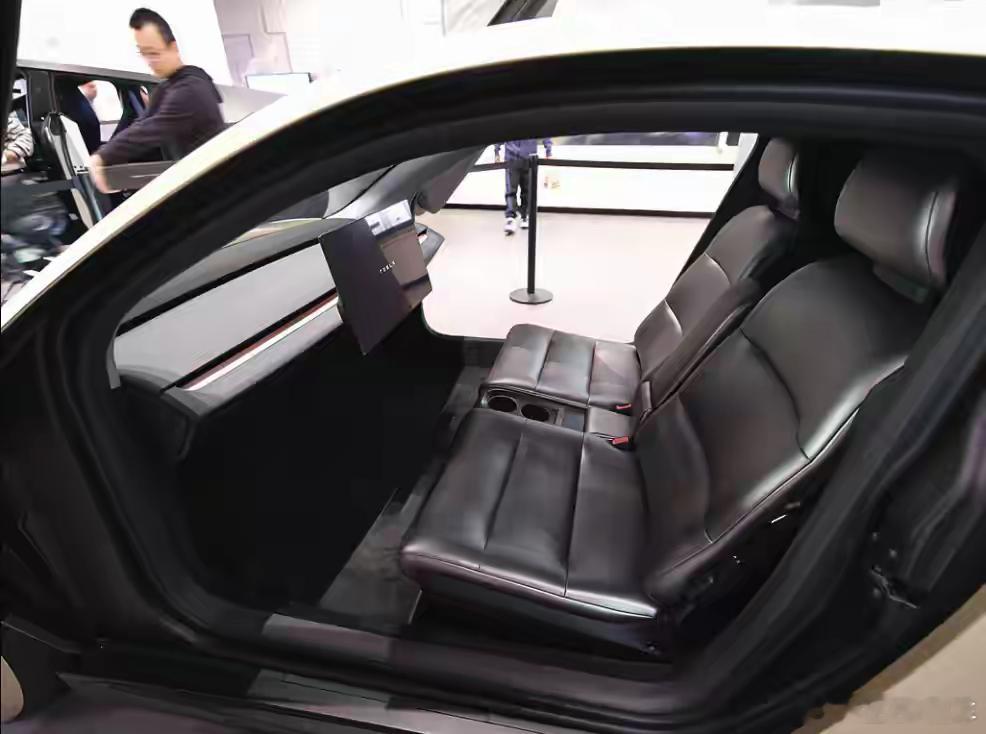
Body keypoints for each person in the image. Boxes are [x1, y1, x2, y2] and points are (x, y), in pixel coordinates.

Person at [88, 8, 224, 193]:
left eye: (154, 53)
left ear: (173, 48)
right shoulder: (167, 87)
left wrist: (102, 157)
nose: (149, 61)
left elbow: (150, 129)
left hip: (213, 191)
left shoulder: (190, 90)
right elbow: (141, 124)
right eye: (143, 53)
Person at [494, 138, 552, 235]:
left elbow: (544, 132)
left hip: (529, 158)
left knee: (527, 190)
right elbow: (501, 131)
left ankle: (525, 216)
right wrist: (497, 151)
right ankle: (510, 218)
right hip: (511, 158)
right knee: (510, 190)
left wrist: (548, 150)